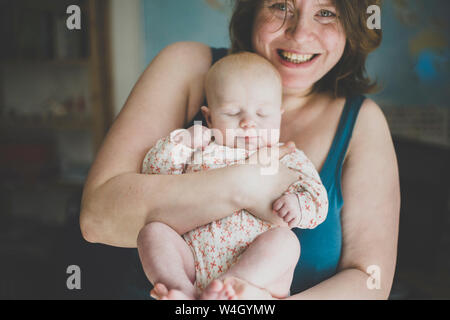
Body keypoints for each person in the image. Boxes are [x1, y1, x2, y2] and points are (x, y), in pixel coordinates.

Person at [80, 0, 400, 300]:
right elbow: (96, 219)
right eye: (281, 6)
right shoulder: (189, 69)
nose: (300, 33)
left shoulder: (362, 122)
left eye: (327, 12)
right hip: (176, 286)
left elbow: (371, 282)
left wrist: (254, 303)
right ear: (253, 9)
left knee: (283, 243)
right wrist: (244, 185)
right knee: (154, 234)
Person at [137, 52, 328, 300]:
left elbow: (317, 197)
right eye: (232, 113)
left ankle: (231, 288)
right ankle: (180, 289)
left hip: (258, 283)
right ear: (209, 117)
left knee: (285, 242)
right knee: (152, 232)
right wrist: (180, 144)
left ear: (279, 116)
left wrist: (298, 205)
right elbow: (154, 173)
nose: (249, 123)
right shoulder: (200, 146)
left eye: (262, 115)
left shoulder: (284, 155)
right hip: (192, 262)